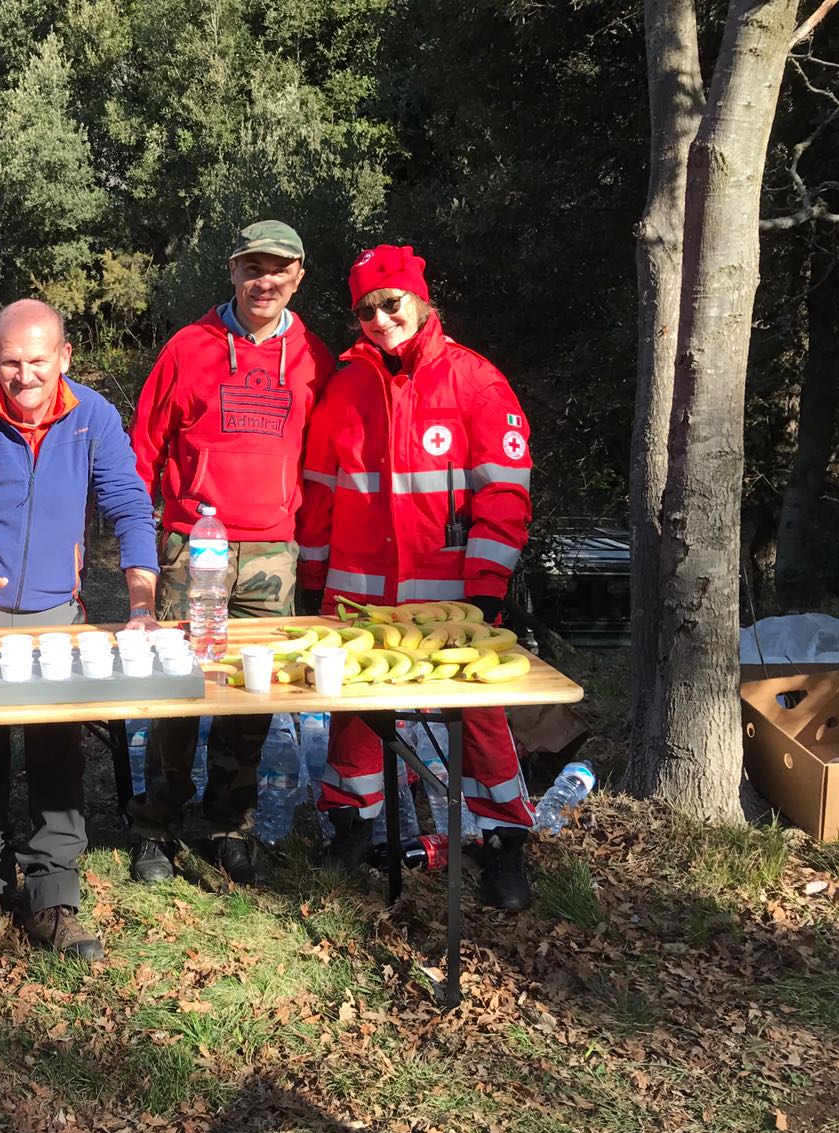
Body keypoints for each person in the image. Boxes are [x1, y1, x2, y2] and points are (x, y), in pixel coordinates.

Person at [0, 298, 159, 960]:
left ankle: (55, 898)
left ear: (65, 358)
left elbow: (130, 507)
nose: (24, 377)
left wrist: (141, 604)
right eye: (11, 362)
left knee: (57, 755)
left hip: (56, 616)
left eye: (38, 363)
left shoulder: (93, 418)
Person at [296, 245, 535, 910]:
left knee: (477, 720)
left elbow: (504, 497)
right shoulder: (342, 388)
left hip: (450, 604)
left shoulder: (475, 382)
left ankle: (504, 846)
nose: (378, 317)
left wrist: (484, 592)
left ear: (421, 300)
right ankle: (351, 827)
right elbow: (319, 497)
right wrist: (313, 585)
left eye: (390, 302)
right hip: (357, 599)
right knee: (353, 718)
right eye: (365, 309)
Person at [126, 220, 336, 885]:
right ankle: (157, 824)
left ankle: (229, 824)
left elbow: (326, 461)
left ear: (299, 275)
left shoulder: (314, 359)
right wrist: (141, 535)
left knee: (252, 694)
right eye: (252, 268)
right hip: (193, 544)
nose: (263, 281)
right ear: (233, 271)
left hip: (274, 549)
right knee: (178, 687)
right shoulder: (190, 348)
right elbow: (143, 451)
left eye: (278, 269)